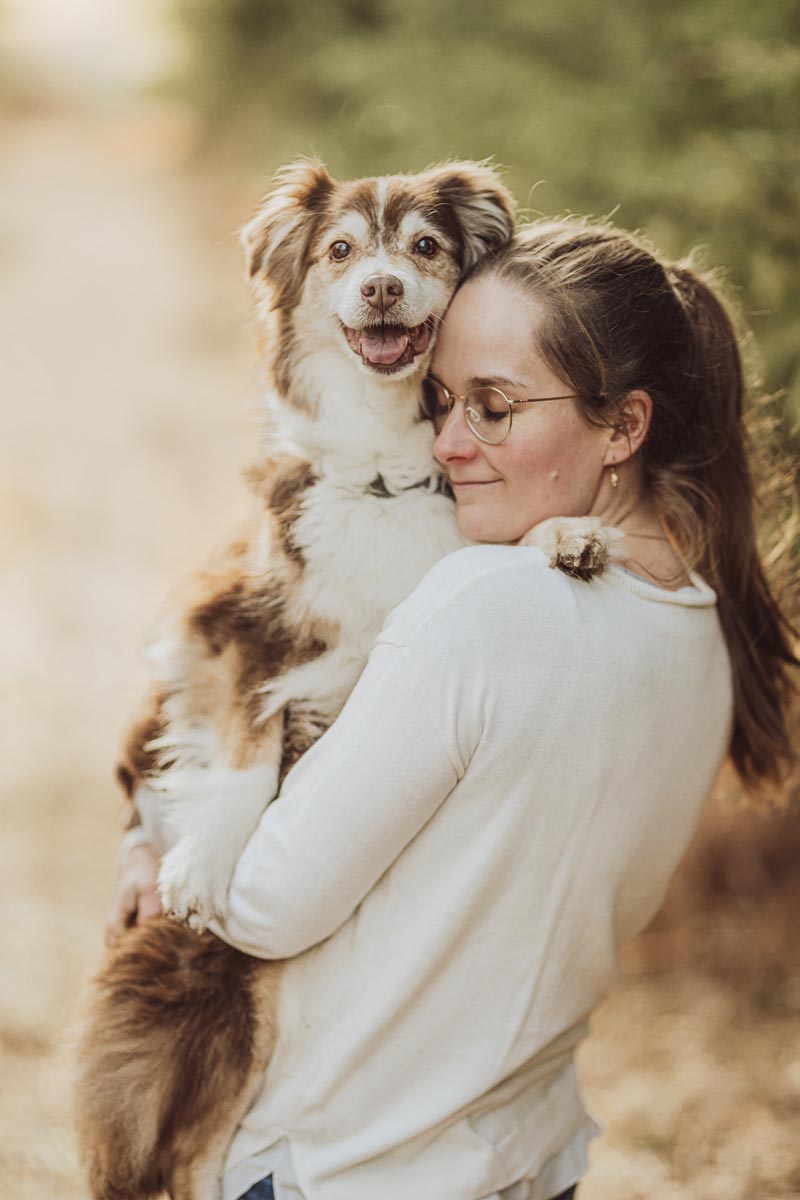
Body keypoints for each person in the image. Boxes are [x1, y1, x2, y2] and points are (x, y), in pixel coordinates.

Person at [110, 217, 797, 1200]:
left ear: (624, 426)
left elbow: (262, 902)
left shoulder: (482, 604)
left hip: (354, 1168)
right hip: (528, 1158)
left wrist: (157, 850)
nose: (447, 444)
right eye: (440, 402)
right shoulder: (697, 626)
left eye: (495, 409)